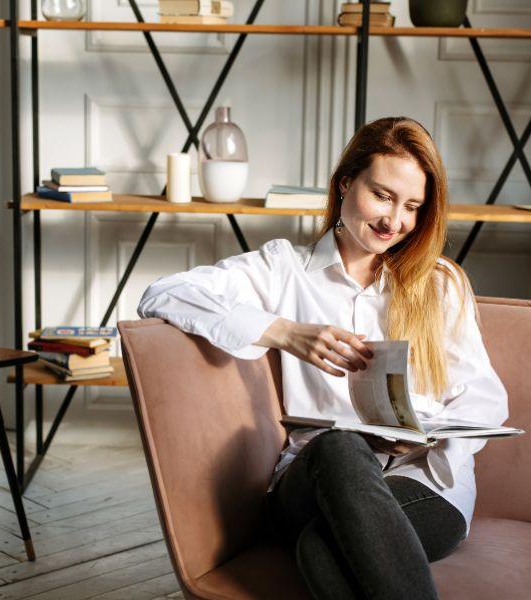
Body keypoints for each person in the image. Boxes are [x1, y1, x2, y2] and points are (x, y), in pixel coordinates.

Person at [137, 117, 508, 600]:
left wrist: (427, 436)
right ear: (344, 184)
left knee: (320, 549)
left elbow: (482, 399)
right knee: (338, 445)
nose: (393, 221)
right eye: (382, 195)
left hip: (425, 480)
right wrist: (286, 332)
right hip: (312, 481)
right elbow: (163, 293)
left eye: (411, 206)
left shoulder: (439, 284)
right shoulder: (282, 269)